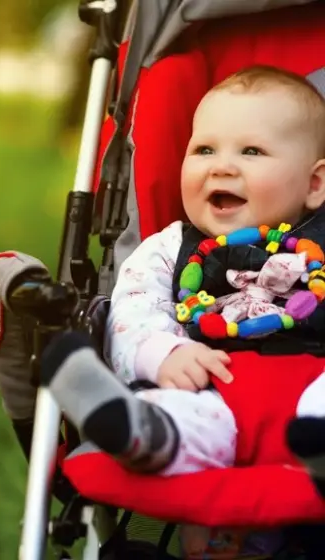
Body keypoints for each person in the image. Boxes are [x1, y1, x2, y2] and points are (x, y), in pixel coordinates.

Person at [41, 65, 325, 497]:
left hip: (314, 386)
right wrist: (163, 352)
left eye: (251, 151)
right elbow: (132, 309)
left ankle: (318, 454)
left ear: (315, 182)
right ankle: (136, 430)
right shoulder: (170, 248)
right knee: (179, 413)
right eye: (205, 150)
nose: (221, 167)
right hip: (213, 392)